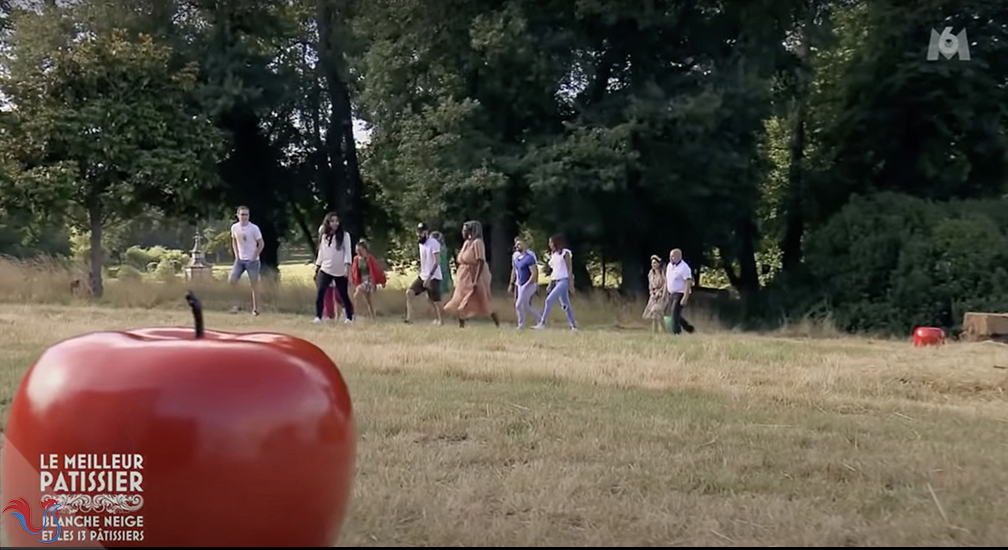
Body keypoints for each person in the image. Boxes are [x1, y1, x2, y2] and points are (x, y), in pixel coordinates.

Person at [443, 220, 501, 328]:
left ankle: (497, 323)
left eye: (465, 230)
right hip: (464, 275)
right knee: (460, 298)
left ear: (471, 231)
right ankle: (461, 325)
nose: (463, 232)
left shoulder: (477, 243)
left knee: (482, 300)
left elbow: (480, 261)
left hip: (475, 274)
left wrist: (476, 279)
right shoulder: (466, 243)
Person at [313, 212, 354, 324]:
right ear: (328, 222)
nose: (335, 223)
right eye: (332, 221)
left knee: (343, 294)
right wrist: (318, 265)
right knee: (321, 291)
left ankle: (349, 317)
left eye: (336, 221)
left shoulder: (345, 236)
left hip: (339, 269)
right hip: (326, 268)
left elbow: (348, 252)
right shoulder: (324, 235)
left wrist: (347, 266)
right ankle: (318, 316)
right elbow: (322, 251)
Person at [534, 235, 578, 331]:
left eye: (551, 242)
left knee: (549, 300)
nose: (549, 244)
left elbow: (569, 269)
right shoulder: (553, 255)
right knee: (565, 305)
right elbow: (555, 271)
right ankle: (573, 325)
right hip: (556, 280)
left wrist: (571, 283)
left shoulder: (565, 253)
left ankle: (542, 323)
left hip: (564, 280)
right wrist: (551, 283)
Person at [405, 222, 444, 325]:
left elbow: (436, 262)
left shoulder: (434, 243)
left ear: (426, 232)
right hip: (423, 275)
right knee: (410, 292)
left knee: (435, 300)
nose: (419, 234)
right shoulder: (421, 244)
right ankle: (410, 318)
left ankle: (441, 320)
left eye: (421, 232)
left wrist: (429, 278)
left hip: (434, 276)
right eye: (418, 232)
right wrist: (422, 273)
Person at [228, 205, 264, 316]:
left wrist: (255, 255)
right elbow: (233, 240)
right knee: (232, 280)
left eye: (246, 215)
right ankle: (236, 305)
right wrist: (236, 254)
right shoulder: (234, 227)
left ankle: (256, 309)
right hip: (240, 260)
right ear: (238, 215)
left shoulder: (254, 228)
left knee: (254, 284)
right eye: (242, 214)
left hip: (252, 261)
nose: (244, 217)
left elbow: (261, 243)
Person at [509, 237, 541, 329]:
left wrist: (527, 284)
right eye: (516, 245)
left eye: (519, 244)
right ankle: (540, 319)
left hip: (529, 285)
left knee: (518, 304)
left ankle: (521, 324)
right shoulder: (517, 258)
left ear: (524, 244)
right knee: (526, 306)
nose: (517, 246)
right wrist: (513, 282)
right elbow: (515, 271)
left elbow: (534, 273)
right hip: (519, 284)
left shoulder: (529, 258)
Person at [351, 240, 386, 321]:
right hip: (362, 281)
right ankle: (373, 319)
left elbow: (377, 270)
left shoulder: (370, 258)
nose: (358, 252)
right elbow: (354, 272)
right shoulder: (356, 259)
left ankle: (354, 317)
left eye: (360, 250)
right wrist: (354, 281)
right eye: (357, 250)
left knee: (356, 295)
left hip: (370, 280)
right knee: (369, 301)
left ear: (365, 250)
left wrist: (382, 281)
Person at [665, 248, 695, 334]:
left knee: (674, 313)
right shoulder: (669, 266)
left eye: (672, 256)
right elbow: (668, 279)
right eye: (670, 256)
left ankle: (676, 333)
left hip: (680, 293)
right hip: (672, 293)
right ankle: (689, 328)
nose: (670, 258)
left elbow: (688, 282)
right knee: (673, 313)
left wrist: (685, 297)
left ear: (678, 256)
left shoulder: (684, 268)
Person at [643, 254, 669, 332]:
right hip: (654, 296)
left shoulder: (662, 272)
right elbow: (650, 285)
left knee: (656, 310)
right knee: (655, 315)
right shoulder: (651, 273)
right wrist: (652, 294)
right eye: (652, 263)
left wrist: (662, 293)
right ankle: (657, 331)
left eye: (655, 263)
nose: (653, 264)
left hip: (662, 295)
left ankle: (663, 330)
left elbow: (665, 284)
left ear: (658, 263)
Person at [431, 231, 454, 298]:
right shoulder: (443, 246)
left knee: (440, 291)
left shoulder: (437, 248)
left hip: (439, 270)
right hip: (444, 269)